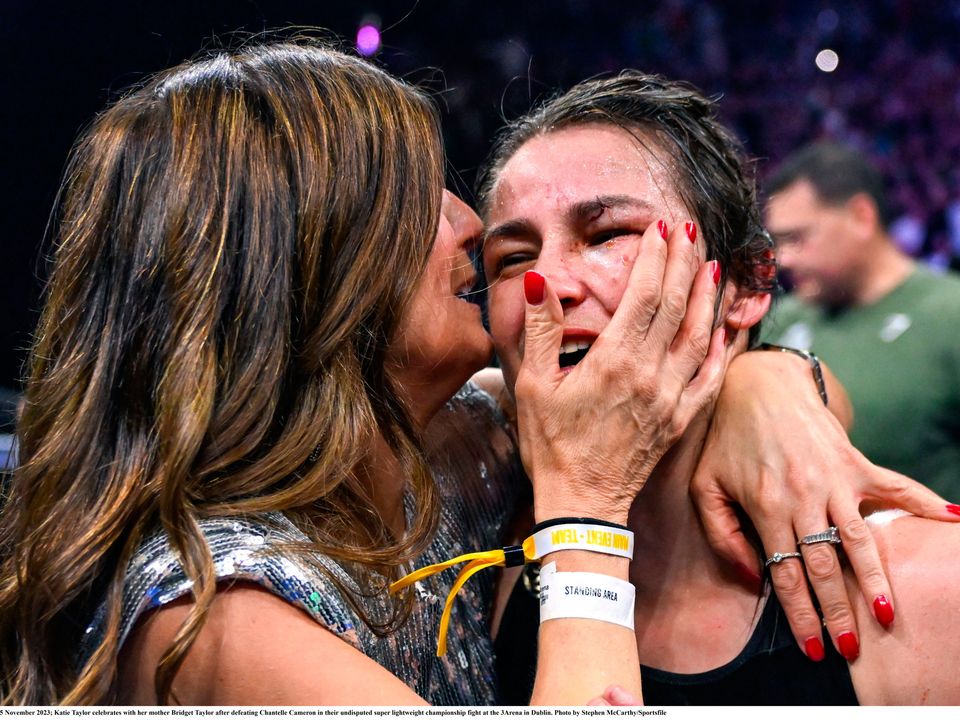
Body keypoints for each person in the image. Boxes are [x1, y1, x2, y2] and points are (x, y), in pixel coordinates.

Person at [0, 40, 947, 706]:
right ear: (307, 269)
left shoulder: (449, 446)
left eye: (605, 232)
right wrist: (584, 511)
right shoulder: (210, 616)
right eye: (415, 193)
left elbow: (655, 386)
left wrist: (767, 383)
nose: (467, 226)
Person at [479, 72, 960, 704]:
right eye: (513, 258)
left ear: (744, 285)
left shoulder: (933, 590)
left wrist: (775, 374)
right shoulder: (478, 507)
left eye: (607, 234)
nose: (551, 282)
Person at [762, 142, 960, 500]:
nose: (783, 259)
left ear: (861, 217)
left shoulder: (951, 314)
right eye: (777, 241)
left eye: (797, 238)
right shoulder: (775, 323)